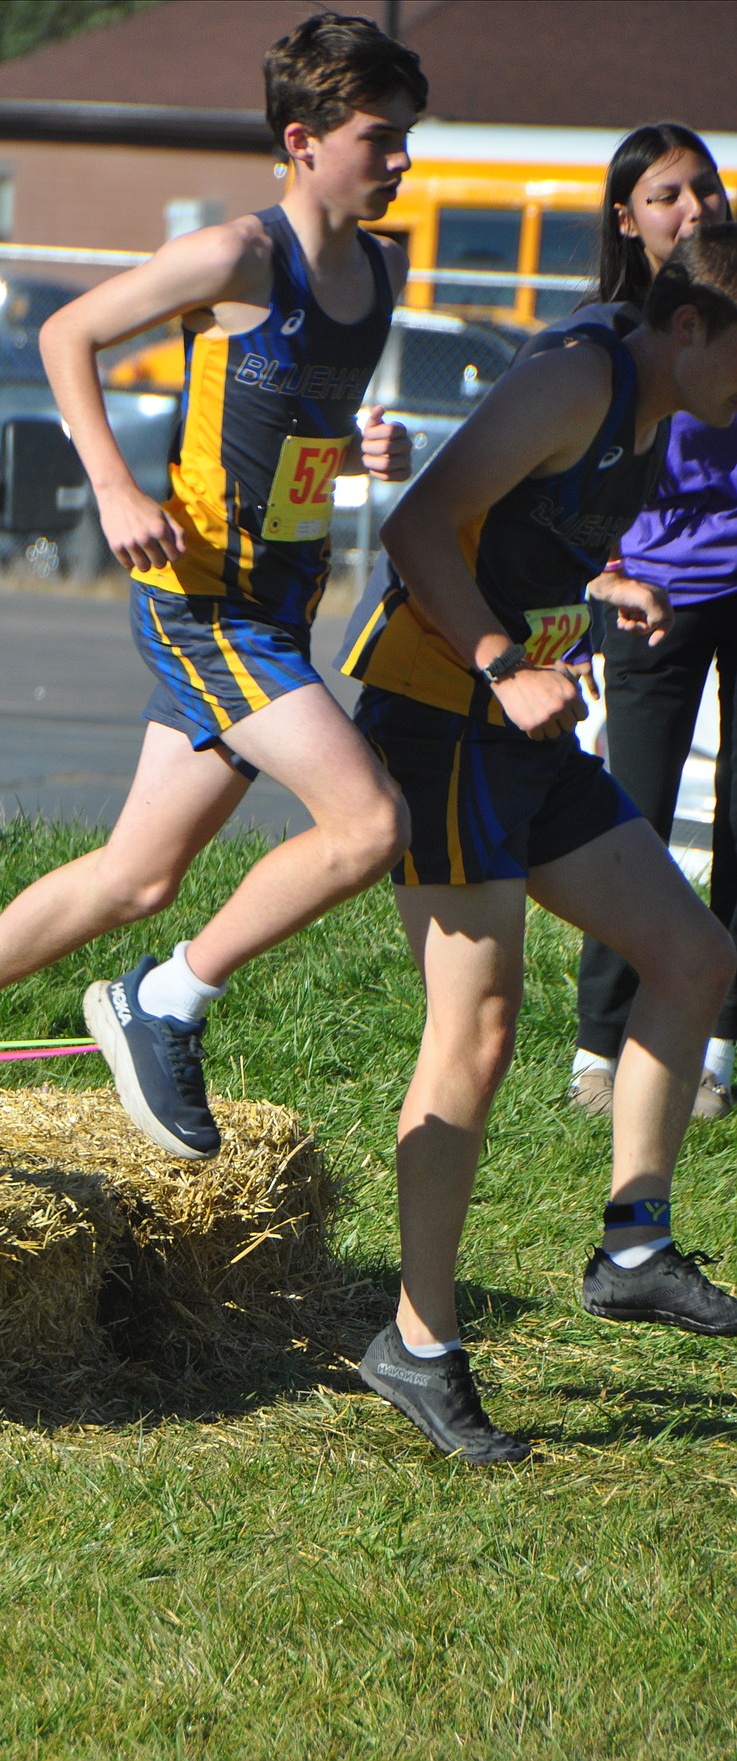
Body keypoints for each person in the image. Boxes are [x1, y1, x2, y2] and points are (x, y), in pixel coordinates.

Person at [0, 13, 424, 1177]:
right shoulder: (238, 255)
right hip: (205, 600)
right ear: (302, 140)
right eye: (379, 137)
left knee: (137, 874)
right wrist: (110, 485)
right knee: (369, 826)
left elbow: (284, 420)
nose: (401, 160)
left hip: (279, 598)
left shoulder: (382, 268)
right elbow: (70, 333)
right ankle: (166, 998)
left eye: (408, 136)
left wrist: (359, 449)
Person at [336, 224, 737, 1464]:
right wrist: (509, 662)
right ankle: (420, 1342)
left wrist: (597, 590)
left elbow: (520, 535)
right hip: (443, 721)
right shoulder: (578, 376)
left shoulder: (658, 402)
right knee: (482, 1025)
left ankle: (632, 1246)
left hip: (525, 730)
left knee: (693, 957)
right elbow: (420, 527)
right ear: (687, 327)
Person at [522, 125, 736, 1124]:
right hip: (646, 592)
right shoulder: (601, 340)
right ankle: (600, 1054)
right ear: (627, 218)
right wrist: (606, 578)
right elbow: (554, 486)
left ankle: (714, 1051)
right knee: (630, 819)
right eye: (666, 195)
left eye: (707, 188)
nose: (694, 208)